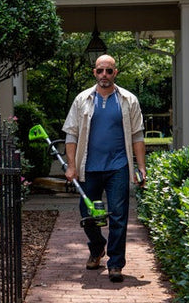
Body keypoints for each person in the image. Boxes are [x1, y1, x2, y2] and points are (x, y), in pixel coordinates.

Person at [62, 54, 146, 283]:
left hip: (118, 166)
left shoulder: (128, 100)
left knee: (119, 216)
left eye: (109, 71)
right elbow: (72, 134)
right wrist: (71, 166)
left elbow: (137, 135)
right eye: (100, 71)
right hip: (88, 167)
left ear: (115, 73)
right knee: (88, 215)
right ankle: (97, 247)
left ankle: (116, 263)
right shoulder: (82, 99)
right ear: (94, 73)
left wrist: (141, 168)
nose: (104, 75)